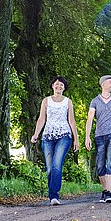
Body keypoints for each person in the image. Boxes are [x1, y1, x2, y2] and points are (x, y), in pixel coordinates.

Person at [30, 76, 79, 206]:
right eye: (56, 84)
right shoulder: (46, 101)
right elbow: (41, 119)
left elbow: (71, 121)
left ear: (64, 88)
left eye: (61, 85)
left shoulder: (68, 101)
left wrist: (76, 139)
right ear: (52, 86)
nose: (59, 86)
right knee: (50, 168)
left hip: (64, 135)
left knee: (57, 165)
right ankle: (52, 194)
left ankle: (54, 195)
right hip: (47, 136)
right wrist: (36, 134)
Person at [85, 74, 111, 203]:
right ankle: (105, 191)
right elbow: (90, 119)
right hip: (99, 135)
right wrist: (87, 137)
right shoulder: (95, 101)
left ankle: (108, 192)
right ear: (103, 84)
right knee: (100, 164)